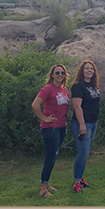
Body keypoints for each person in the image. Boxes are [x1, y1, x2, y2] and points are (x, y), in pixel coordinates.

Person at [31, 64, 70, 198]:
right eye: (57, 72)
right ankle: (43, 189)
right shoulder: (47, 89)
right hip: (50, 128)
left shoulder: (64, 89)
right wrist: (43, 118)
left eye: (62, 72)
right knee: (51, 156)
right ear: (52, 75)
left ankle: (46, 183)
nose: (60, 75)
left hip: (61, 127)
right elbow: (35, 104)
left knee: (54, 155)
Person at [70, 60, 101, 192]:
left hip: (92, 122)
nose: (90, 71)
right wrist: (82, 124)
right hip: (82, 124)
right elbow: (77, 106)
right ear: (82, 71)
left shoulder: (93, 86)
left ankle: (80, 178)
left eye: (92, 69)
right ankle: (76, 182)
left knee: (85, 153)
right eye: (87, 69)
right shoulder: (78, 86)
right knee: (83, 153)